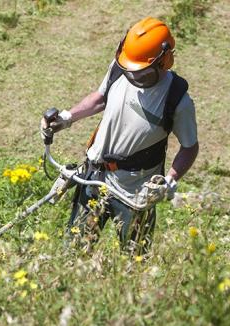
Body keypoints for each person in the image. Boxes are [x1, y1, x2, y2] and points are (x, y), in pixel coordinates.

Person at [40, 17, 199, 255]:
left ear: (164, 61)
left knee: (135, 260)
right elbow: (101, 97)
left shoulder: (177, 99)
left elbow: (189, 147)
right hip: (94, 177)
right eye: (129, 70)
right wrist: (67, 117)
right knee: (73, 252)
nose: (133, 77)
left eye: (141, 73)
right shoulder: (122, 69)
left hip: (136, 192)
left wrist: (169, 181)